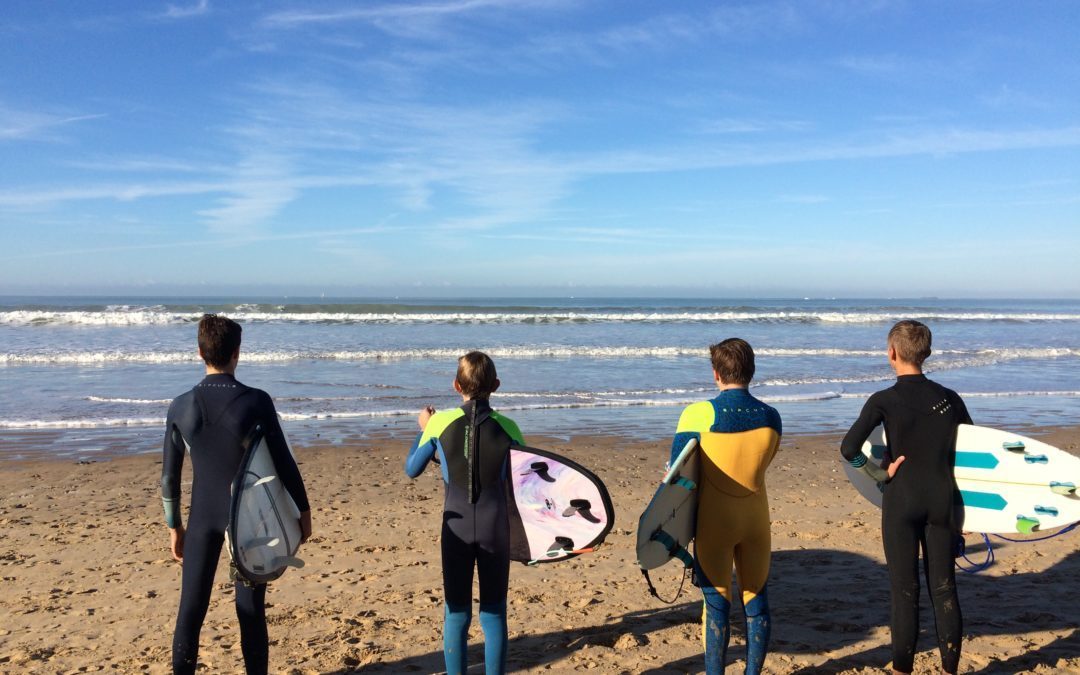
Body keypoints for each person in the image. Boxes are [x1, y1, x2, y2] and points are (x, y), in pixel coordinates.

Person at [161, 314, 312, 674]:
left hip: (201, 521)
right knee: (250, 609)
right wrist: (303, 512)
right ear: (237, 353)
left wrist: (174, 527)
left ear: (199, 352)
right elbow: (284, 462)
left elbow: (169, 477)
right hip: (247, 523)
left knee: (191, 610)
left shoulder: (180, 406)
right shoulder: (256, 402)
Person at [840, 319, 971, 675]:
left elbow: (849, 448)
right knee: (944, 589)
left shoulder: (884, 400)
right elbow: (972, 454)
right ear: (925, 353)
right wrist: (967, 514)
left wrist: (880, 474)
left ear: (892, 353)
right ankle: (949, 670)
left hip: (902, 501)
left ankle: (901, 670)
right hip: (943, 501)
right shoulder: (950, 399)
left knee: (904, 590)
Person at [404, 351, 524, 675]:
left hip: (454, 528)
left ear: (457, 385)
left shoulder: (440, 423)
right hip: (495, 528)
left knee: (456, 613)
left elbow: (411, 468)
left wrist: (424, 428)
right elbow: (523, 485)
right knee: (494, 613)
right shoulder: (510, 428)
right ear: (496, 385)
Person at [669, 338, 782, 675]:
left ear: (715, 373)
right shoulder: (772, 417)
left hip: (713, 523)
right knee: (756, 600)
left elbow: (677, 473)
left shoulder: (697, 414)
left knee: (717, 603)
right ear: (752, 371)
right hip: (756, 521)